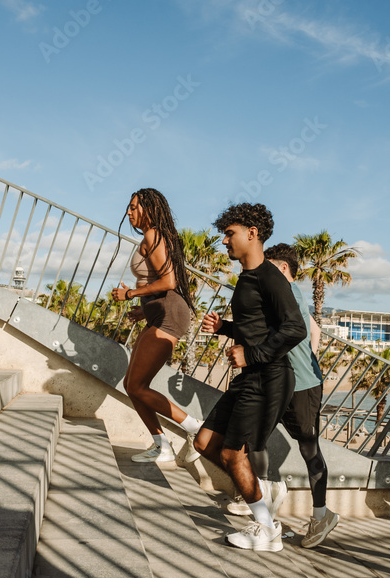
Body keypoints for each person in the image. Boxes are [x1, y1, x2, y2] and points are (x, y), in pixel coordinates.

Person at [196, 203, 307, 551]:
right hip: (252, 376)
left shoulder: (269, 277)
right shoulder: (248, 277)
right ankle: (261, 490)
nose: (224, 242)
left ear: (252, 234)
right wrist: (226, 328)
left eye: (229, 234)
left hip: (268, 377)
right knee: (204, 443)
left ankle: (266, 526)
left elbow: (295, 328)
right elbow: (259, 327)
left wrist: (250, 354)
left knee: (232, 455)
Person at [111, 188, 203, 463]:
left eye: (134, 206)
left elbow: (169, 282)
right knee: (132, 384)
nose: (128, 212)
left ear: (150, 208)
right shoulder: (156, 236)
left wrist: (130, 295)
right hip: (159, 313)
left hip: (170, 315)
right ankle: (162, 445)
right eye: (128, 207)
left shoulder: (153, 235)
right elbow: (158, 282)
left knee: (137, 385)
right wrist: (143, 310)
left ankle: (195, 429)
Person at [263, 243, 339, 548]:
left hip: (303, 386)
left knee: (309, 449)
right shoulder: (292, 295)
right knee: (254, 435)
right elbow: (315, 331)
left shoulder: (289, 293)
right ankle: (265, 492)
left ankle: (322, 515)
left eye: (268, 268)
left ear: (282, 269)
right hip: (285, 381)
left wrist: (304, 365)